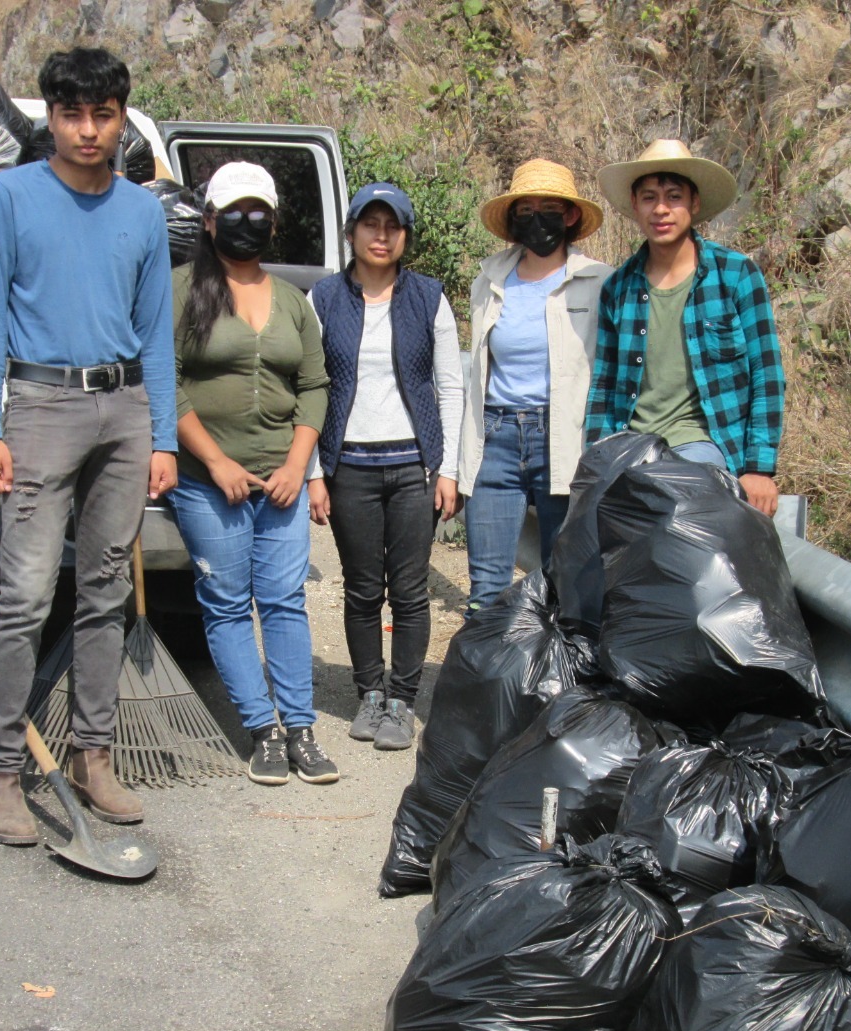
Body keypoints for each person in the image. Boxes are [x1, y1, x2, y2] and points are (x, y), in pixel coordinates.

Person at [0, 47, 176, 845]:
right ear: (49, 117)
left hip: (124, 409)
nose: (88, 131)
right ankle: (0, 771)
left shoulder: (143, 212)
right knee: (22, 597)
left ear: (122, 117)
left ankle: (94, 758)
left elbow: (156, 330)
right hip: (41, 406)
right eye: (71, 115)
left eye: (103, 115)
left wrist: (160, 435)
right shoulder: (8, 198)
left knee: (106, 592)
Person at [170, 161, 339, 786]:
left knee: (285, 602)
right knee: (227, 606)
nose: (248, 225)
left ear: (273, 223)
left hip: (281, 483)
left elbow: (315, 385)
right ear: (210, 221)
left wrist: (300, 464)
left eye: (259, 215)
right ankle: (262, 730)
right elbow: (166, 381)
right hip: (207, 482)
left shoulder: (293, 301)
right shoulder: (181, 288)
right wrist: (215, 462)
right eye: (234, 214)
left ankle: (300, 727)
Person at [306, 183, 464, 751]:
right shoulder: (323, 299)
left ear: (404, 235)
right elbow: (310, 386)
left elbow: (450, 385)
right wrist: (313, 474)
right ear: (351, 232)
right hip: (348, 466)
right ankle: (368, 693)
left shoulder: (428, 297)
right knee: (362, 590)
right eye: (369, 224)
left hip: (412, 467)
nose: (380, 235)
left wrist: (449, 468)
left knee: (412, 591)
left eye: (391, 226)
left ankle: (402, 699)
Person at [584, 139, 785, 516]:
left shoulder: (735, 275)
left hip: (701, 448)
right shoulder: (619, 289)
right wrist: (596, 463)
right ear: (634, 205)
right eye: (649, 198)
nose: (661, 209)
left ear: (694, 203)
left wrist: (758, 468)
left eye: (674, 196)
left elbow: (767, 374)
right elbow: (605, 386)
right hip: (632, 449)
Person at [457, 159, 610, 615]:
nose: (538, 218)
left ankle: (555, 685)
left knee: (562, 582)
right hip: (496, 438)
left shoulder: (599, 281)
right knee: (487, 589)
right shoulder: (488, 281)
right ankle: (485, 684)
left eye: (550, 208)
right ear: (513, 219)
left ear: (570, 217)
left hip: (563, 439)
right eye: (527, 209)